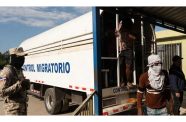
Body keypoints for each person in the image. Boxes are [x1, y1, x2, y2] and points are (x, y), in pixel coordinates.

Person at [0, 47, 30, 115]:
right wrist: (19, 85)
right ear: (14, 57)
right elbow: (2, 92)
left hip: (22, 108)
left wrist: (26, 85)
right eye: (20, 57)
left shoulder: (19, 70)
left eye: (23, 57)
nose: (23, 59)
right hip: (12, 110)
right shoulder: (7, 71)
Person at [115, 17, 136, 88]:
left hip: (128, 50)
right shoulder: (119, 29)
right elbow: (115, 34)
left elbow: (135, 38)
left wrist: (128, 36)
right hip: (121, 50)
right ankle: (123, 81)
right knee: (121, 66)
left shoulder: (129, 30)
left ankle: (128, 82)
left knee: (128, 67)